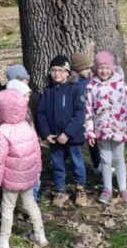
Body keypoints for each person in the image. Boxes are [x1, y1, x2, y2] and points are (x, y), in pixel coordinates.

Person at [0, 90, 48, 248]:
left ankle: (3, 240)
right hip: (28, 175)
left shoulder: (1, 132)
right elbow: (37, 150)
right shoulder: (27, 126)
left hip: (10, 179)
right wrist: (38, 169)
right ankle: (40, 235)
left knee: (7, 207)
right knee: (30, 204)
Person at [84, 51, 127, 206]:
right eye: (100, 68)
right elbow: (88, 110)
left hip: (119, 129)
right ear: (96, 69)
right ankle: (107, 188)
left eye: (107, 68)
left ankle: (123, 188)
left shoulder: (121, 84)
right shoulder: (91, 86)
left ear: (112, 68)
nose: (104, 71)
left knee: (119, 159)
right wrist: (89, 132)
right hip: (101, 130)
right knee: (105, 160)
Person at [36, 55, 88, 207]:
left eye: (60, 70)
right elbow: (41, 114)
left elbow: (80, 114)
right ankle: (60, 190)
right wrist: (46, 134)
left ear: (67, 72)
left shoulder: (75, 89)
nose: (57, 73)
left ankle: (80, 189)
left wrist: (67, 134)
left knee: (77, 163)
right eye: (53, 70)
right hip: (54, 137)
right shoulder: (47, 91)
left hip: (73, 136)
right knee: (58, 164)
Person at [6, 77, 42, 202]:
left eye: (28, 96)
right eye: (24, 96)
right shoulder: (11, 115)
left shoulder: (26, 110)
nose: (27, 99)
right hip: (19, 152)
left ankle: (34, 197)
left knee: (35, 174)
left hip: (31, 148)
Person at [70, 52, 100, 176]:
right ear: (78, 69)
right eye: (86, 68)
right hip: (80, 118)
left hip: (91, 117)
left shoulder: (90, 82)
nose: (89, 70)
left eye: (90, 68)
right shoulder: (77, 85)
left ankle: (97, 164)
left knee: (94, 143)